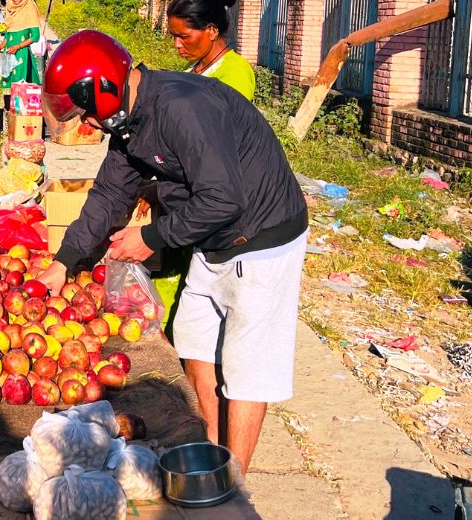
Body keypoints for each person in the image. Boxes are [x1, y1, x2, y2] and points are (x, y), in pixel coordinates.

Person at [35, 30, 307, 474]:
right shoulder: (129, 125)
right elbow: (108, 196)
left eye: (85, 113)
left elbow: (224, 198)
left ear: (102, 91)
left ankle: (232, 481)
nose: (85, 124)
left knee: (246, 366)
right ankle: (214, 452)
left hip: (262, 239)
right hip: (212, 238)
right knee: (195, 339)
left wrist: (151, 237)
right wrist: (64, 262)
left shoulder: (183, 108)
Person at [166, 0, 255, 100]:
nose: (176, 44)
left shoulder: (236, 71)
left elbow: (228, 116)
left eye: (183, 37)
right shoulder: (195, 65)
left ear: (212, 31)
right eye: (174, 36)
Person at [0, 0, 42, 90]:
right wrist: (1, 45)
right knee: (6, 83)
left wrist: (17, 46)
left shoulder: (29, 9)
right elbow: (9, 34)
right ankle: (6, 107)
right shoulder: (11, 8)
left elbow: (35, 36)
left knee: (18, 86)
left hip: (21, 54)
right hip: (8, 52)